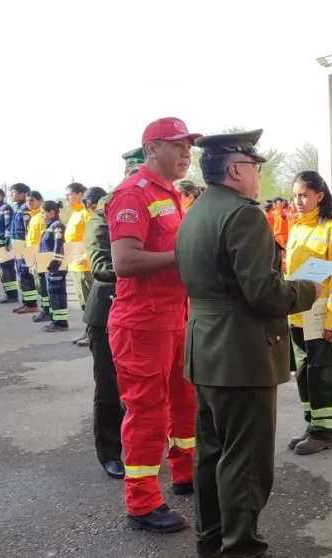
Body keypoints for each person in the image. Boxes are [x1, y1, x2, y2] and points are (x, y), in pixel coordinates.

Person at [175, 129, 319, 557]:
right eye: (255, 167)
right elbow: (266, 294)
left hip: (205, 348)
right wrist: (308, 288)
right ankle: (241, 548)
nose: (258, 174)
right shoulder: (243, 215)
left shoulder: (197, 210)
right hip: (241, 353)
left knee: (211, 453)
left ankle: (211, 539)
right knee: (246, 462)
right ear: (236, 169)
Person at [106, 117, 200, 532]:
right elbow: (124, 262)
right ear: (151, 150)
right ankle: (141, 503)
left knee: (185, 401)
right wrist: (185, 256)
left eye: (189, 146)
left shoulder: (172, 195)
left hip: (175, 317)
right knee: (147, 413)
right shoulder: (133, 193)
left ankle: (184, 474)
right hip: (143, 324)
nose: (186, 153)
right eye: (177, 145)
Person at [284, 170, 332, 455]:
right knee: (303, 374)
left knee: (322, 375)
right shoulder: (297, 228)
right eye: (295, 195)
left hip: (322, 317)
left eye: (304, 195)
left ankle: (325, 432)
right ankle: (312, 425)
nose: (298, 201)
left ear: (319, 196)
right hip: (298, 316)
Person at [81, 185, 124, 480]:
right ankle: (110, 452)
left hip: (149, 311)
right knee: (110, 386)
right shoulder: (102, 218)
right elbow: (101, 266)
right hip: (108, 312)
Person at [64, 183, 93, 345]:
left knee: (91, 302)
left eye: (69, 194)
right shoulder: (74, 214)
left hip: (85, 265)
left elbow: (92, 236)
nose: (67, 198)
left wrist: (86, 255)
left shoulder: (86, 213)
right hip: (74, 264)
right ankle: (87, 330)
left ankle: (94, 334)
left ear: (80, 194)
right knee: (83, 302)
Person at [8, 183, 41, 314]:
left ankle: (31, 304)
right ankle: (27, 302)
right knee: (21, 274)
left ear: (22, 194)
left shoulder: (25, 209)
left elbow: (28, 229)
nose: (11, 195)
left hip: (23, 244)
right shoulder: (18, 207)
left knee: (25, 273)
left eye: (13, 192)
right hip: (17, 244)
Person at [38, 201, 69, 332]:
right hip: (48, 266)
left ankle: (60, 322)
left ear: (51, 212)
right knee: (52, 292)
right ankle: (54, 319)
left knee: (57, 292)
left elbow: (58, 245)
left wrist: (55, 263)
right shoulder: (49, 226)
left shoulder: (57, 226)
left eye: (43, 212)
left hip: (55, 266)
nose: (42, 215)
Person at [0, 187, 19, 302]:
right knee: (2, 270)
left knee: (7, 270)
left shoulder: (6, 208)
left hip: (3, 245)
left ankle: (12, 295)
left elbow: (8, 226)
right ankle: (9, 293)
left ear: (1, 196)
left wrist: (7, 242)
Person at [25, 191, 51, 321]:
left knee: (43, 284)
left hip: (40, 254)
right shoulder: (34, 216)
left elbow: (43, 238)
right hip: (32, 253)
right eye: (27, 201)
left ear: (40, 201)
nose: (29, 203)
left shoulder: (42, 217)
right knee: (39, 284)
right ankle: (45, 309)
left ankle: (47, 311)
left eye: (32, 201)